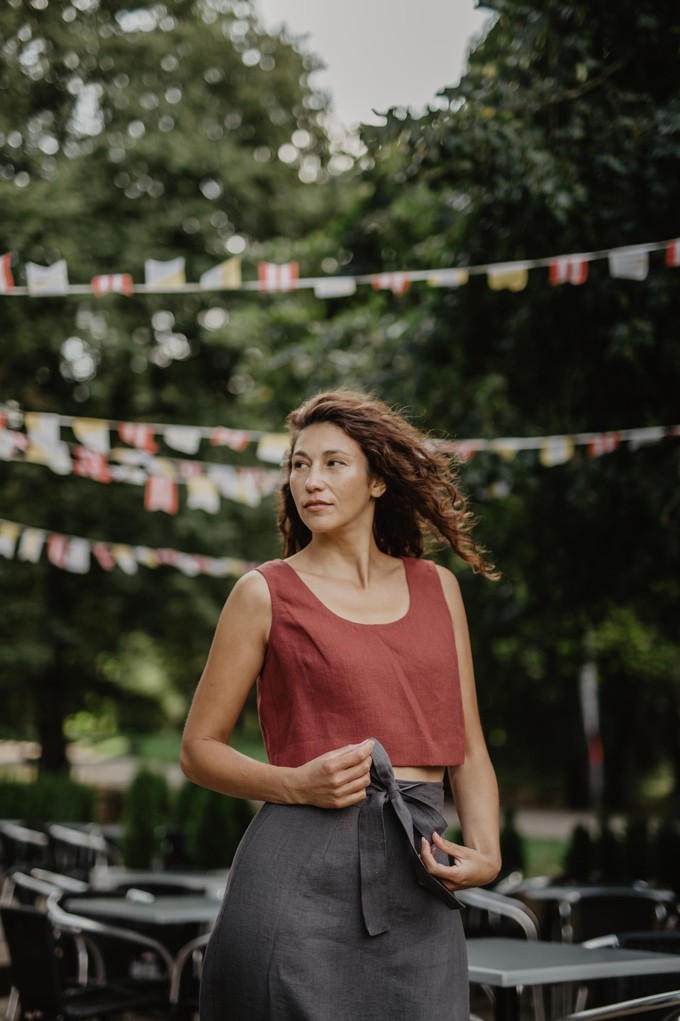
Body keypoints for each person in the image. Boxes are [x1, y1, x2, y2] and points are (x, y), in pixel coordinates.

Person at [180, 389, 501, 1021]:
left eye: (333, 463)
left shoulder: (438, 588)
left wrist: (486, 850)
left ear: (378, 479)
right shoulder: (263, 592)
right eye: (299, 465)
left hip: (420, 875)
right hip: (297, 877)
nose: (310, 481)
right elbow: (197, 751)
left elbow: (468, 744)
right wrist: (295, 784)